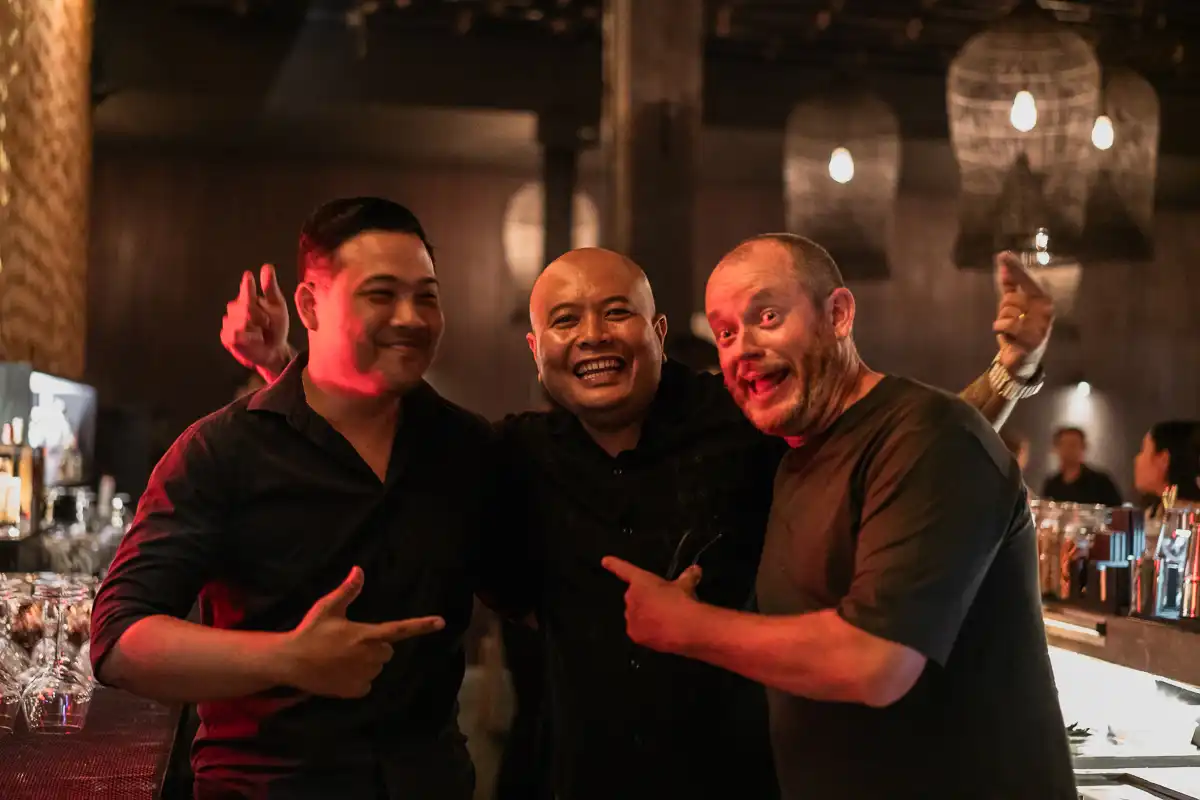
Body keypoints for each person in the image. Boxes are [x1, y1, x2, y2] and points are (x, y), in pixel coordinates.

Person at [221, 244, 1053, 800]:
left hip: (750, 781)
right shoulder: (513, 453)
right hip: (584, 775)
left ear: (657, 332)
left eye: (617, 313)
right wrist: (285, 367)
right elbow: (384, 448)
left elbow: (887, 446)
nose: (593, 337)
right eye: (565, 321)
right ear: (536, 349)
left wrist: (1006, 378)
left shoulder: (745, 418)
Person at [602, 234, 1074, 800]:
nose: (742, 347)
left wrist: (687, 627)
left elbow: (875, 662)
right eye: (725, 333)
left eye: (767, 317)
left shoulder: (933, 437)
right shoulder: (800, 452)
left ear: (839, 315)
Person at [92, 198, 495, 799]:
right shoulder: (224, 451)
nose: (411, 317)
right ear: (309, 306)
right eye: (381, 294)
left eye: (427, 296)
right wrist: (287, 657)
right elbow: (119, 640)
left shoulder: (467, 448)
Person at [1042, 426, 1123, 506]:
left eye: (1073, 445)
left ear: (1083, 447)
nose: (1068, 450)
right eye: (1064, 445)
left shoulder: (1101, 482)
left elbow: (1117, 511)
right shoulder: (1051, 484)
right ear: (1056, 448)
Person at [1133, 420, 1200, 508]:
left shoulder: (1188, 515)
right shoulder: (1157, 510)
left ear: (1164, 459)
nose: (1136, 459)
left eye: (1143, 450)